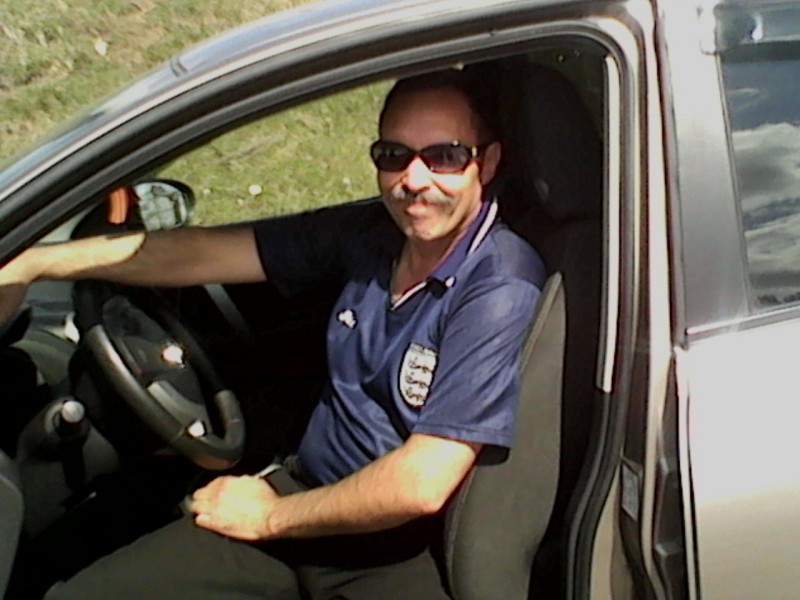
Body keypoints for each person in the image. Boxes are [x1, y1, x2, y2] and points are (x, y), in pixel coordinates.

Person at [0, 69, 546, 599]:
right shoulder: (373, 234)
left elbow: (420, 484)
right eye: (393, 155)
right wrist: (36, 261)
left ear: (487, 162)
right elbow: (203, 253)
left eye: (445, 156)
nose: (414, 179)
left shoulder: (499, 284)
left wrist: (269, 517)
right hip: (303, 494)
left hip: (388, 550)